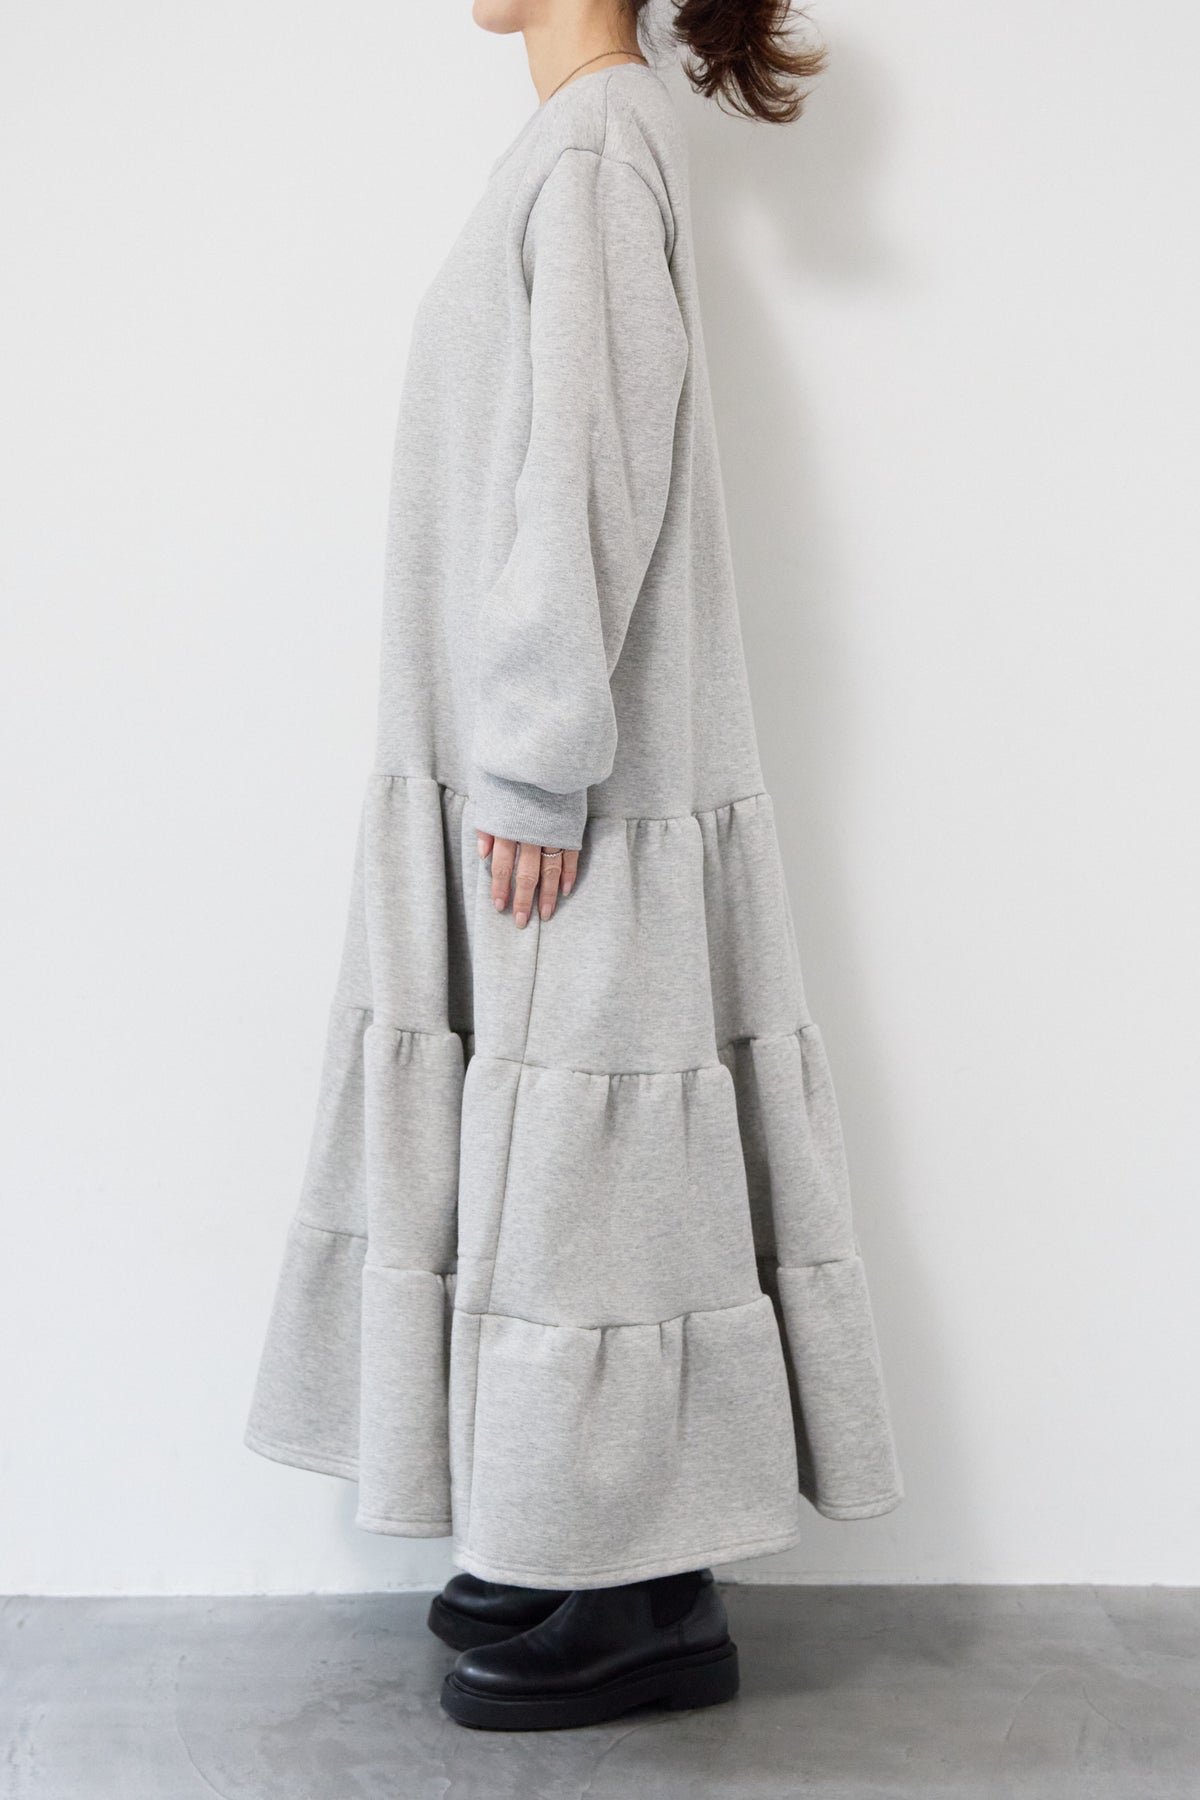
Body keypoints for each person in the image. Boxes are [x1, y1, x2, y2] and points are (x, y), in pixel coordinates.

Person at [245, 0, 904, 1732]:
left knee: (594, 1183)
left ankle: (647, 1594)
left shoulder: (601, 145)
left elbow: (583, 478)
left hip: (571, 776)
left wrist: (537, 765)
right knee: (561, 1172)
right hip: (519, 758)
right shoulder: (572, 143)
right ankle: (579, 1542)